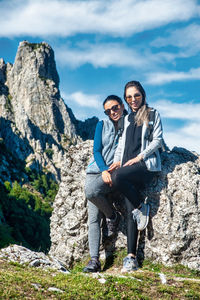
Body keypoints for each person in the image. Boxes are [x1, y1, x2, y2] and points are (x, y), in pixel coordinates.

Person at [109, 80, 163, 272]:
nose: (133, 99)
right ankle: (131, 258)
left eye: (136, 95)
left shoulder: (153, 114)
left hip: (144, 166)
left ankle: (142, 206)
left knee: (117, 179)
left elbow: (158, 140)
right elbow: (120, 145)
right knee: (131, 210)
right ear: (126, 99)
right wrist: (117, 161)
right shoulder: (125, 119)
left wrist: (140, 156)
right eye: (129, 97)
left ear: (143, 95)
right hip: (126, 167)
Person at [83, 95, 127, 273]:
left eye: (115, 107)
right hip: (97, 171)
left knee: (91, 192)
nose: (112, 112)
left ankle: (112, 216)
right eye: (108, 110)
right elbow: (96, 150)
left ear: (122, 106)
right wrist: (103, 169)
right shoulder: (102, 124)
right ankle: (94, 260)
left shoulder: (130, 123)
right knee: (93, 218)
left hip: (115, 172)